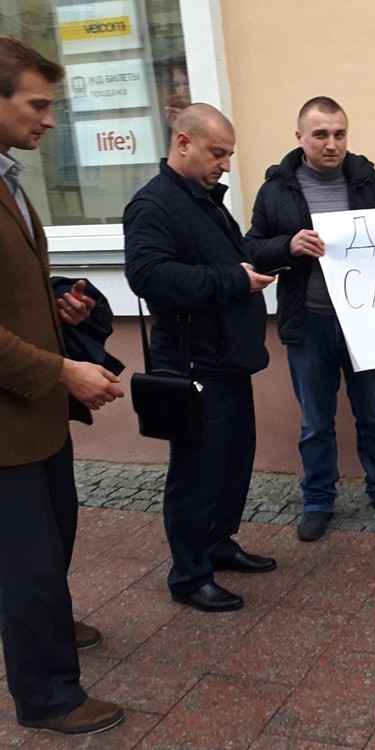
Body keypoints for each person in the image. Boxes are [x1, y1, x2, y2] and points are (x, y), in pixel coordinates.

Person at [0, 35, 125, 735]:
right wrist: (62, 369)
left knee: (52, 541)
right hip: (8, 424)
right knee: (28, 563)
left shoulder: (8, 178)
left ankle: (44, 623)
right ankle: (47, 696)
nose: (49, 118)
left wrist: (54, 309)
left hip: (35, 414)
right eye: (37, 103)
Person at [246, 96, 375, 542]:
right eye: (321, 134)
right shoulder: (276, 190)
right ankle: (318, 500)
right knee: (315, 421)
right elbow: (251, 248)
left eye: (339, 134)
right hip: (309, 322)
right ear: (300, 138)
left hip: (364, 321)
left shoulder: (369, 182)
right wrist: (287, 246)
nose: (331, 144)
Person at [123, 103, 277, 613]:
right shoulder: (154, 205)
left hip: (228, 360)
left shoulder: (206, 200)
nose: (226, 164)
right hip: (194, 367)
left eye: (230, 154)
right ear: (183, 143)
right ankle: (189, 575)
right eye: (217, 152)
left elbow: (231, 259)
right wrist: (236, 279)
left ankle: (218, 544)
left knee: (233, 464)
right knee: (197, 474)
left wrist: (276, 255)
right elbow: (149, 278)